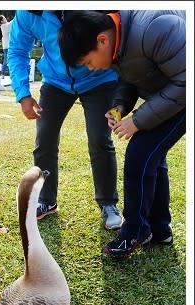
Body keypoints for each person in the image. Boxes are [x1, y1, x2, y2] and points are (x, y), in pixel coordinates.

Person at [58, 10, 186, 256]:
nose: (91, 69)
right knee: (153, 156)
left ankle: (136, 230)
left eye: (87, 62)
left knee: (140, 152)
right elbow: (131, 77)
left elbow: (186, 80)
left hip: (184, 93)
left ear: (102, 41)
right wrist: (120, 106)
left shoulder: (157, 27)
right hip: (171, 94)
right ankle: (160, 229)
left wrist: (137, 121)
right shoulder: (119, 40)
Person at [7, 10, 122, 230]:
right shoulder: (28, 12)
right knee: (45, 139)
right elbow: (18, 50)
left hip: (99, 78)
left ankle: (108, 204)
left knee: (99, 138)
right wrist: (23, 93)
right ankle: (46, 200)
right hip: (55, 82)